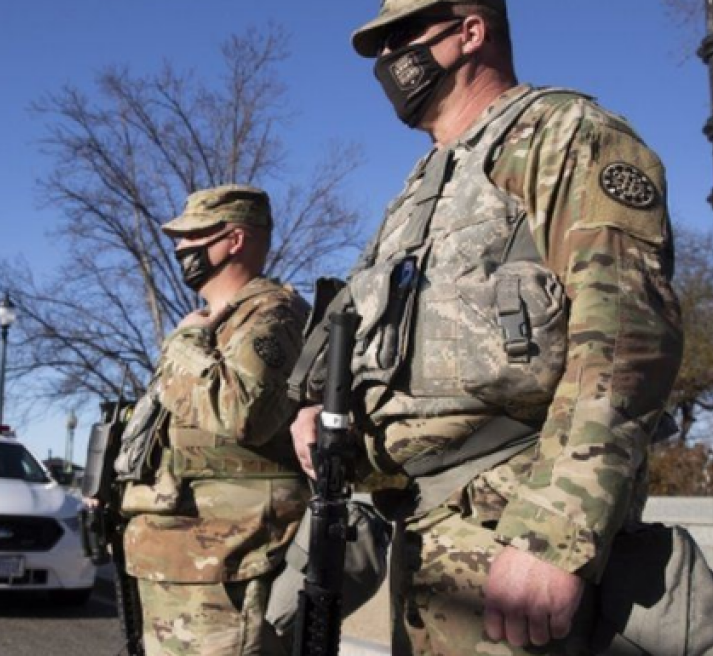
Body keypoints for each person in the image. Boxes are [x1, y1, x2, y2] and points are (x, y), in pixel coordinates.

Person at [290, 1, 684, 653]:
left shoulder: (564, 133)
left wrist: (555, 534)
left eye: (402, 37)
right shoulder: (419, 192)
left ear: (470, 32)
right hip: (423, 530)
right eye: (382, 45)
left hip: (513, 522)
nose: (388, 59)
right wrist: (324, 412)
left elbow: (625, 334)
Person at [119, 185, 309, 655]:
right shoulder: (216, 322)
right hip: (179, 559)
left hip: (229, 566)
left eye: (195, 235)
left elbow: (240, 413)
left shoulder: (273, 315)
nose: (182, 248)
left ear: (236, 240)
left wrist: (183, 345)